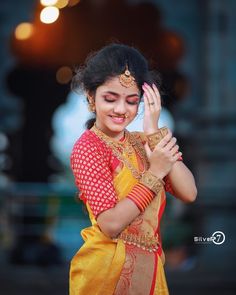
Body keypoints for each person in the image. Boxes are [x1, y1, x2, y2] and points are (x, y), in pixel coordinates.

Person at [70, 43, 197, 295]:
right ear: (90, 96)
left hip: (150, 269)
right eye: (110, 98)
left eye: (131, 101)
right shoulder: (88, 148)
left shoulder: (144, 143)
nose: (121, 110)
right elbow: (110, 223)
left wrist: (153, 131)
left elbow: (189, 192)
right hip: (107, 273)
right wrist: (154, 173)